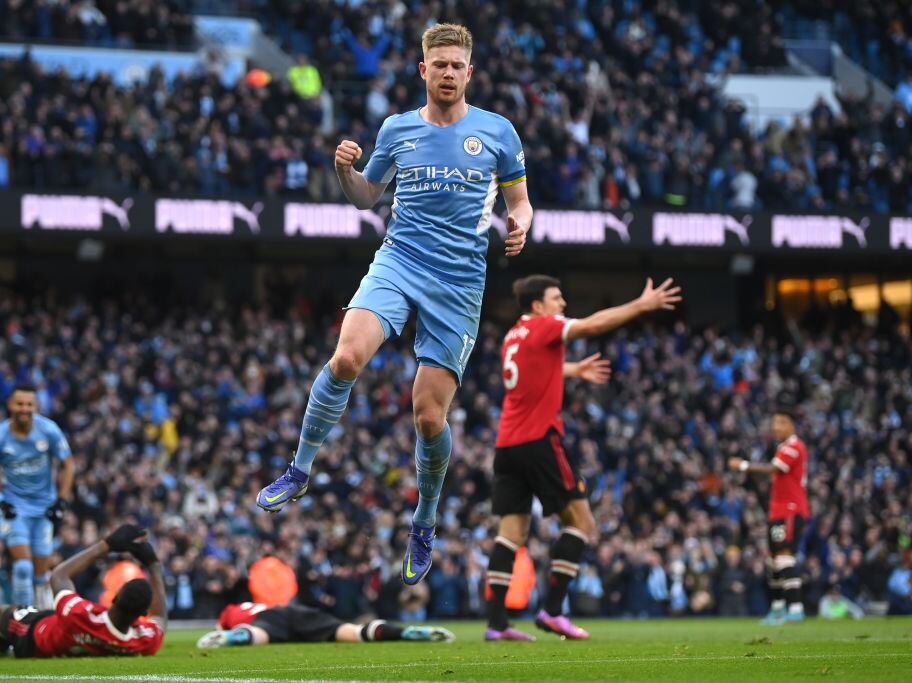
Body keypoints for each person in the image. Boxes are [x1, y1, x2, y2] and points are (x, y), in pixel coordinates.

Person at [257, 23, 533, 586]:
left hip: (458, 282)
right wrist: (344, 170)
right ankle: (299, 470)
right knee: (345, 358)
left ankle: (424, 520)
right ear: (424, 71)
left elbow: (520, 201)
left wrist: (520, 224)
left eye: (458, 65)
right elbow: (367, 197)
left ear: (470, 72)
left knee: (429, 417)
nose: (449, 73)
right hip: (400, 261)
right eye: (440, 65)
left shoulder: (498, 132)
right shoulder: (397, 128)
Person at [486, 275, 682, 641]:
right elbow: (591, 325)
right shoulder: (545, 326)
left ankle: (497, 625)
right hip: (539, 440)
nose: (562, 304)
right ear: (538, 306)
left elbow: (530, 370)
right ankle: (552, 611)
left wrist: (572, 369)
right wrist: (640, 306)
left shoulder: (514, 336)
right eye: (556, 298)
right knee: (581, 522)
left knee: (510, 534)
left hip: (507, 445)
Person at [0, 524, 167, 657]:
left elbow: (59, 576)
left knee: (5, 613)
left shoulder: (80, 615)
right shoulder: (143, 640)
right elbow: (160, 620)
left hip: (34, 636)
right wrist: (154, 566)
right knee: (55, 615)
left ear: (115, 597)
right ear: (143, 614)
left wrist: (108, 545)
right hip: (63, 628)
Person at [0, 383, 75, 609]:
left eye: (29, 404)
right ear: (10, 405)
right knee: (23, 568)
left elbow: (68, 464)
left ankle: (41, 615)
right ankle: (23, 618)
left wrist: (61, 500)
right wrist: (0, 500)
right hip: (15, 507)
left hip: (44, 507)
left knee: (41, 575)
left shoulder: (49, 431)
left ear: (36, 406)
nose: (24, 409)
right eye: (20, 404)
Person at [729, 405, 809, 624]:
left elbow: (774, 469)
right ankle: (777, 609)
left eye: (781, 422)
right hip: (778, 512)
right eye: (774, 422)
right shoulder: (782, 447)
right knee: (773, 561)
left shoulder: (794, 446)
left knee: (784, 557)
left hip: (791, 510)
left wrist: (743, 466)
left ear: (792, 425)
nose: (776, 427)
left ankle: (796, 609)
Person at [196, 601, 454, 648]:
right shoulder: (262, 603)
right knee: (353, 632)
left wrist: (223, 632)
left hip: (268, 620)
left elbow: (219, 626)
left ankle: (236, 638)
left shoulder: (230, 610)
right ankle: (405, 631)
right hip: (294, 609)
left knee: (260, 634)